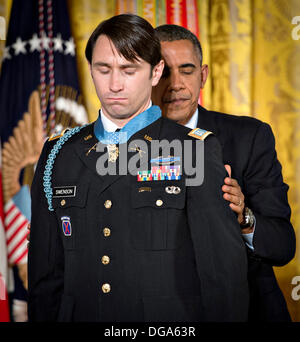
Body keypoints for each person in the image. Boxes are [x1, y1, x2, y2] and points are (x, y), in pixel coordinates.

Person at [28, 14, 249, 322]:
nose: (114, 84)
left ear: (156, 72)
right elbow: (45, 276)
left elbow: (222, 276)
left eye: (129, 70)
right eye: (103, 69)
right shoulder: (58, 153)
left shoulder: (194, 149)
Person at [152, 24, 296, 321]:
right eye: (164, 72)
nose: (175, 83)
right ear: (147, 77)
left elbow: (283, 246)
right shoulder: (123, 147)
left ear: (203, 76)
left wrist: (244, 217)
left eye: (187, 70)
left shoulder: (250, 137)